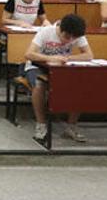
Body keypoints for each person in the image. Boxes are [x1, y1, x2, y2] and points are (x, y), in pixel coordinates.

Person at [23, 14, 92, 144]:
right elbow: (29, 54)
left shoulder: (77, 33)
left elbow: (88, 55)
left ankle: (71, 126)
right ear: (60, 29)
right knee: (39, 85)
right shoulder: (46, 32)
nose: (69, 40)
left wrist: (68, 58)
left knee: (81, 85)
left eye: (73, 38)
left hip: (61, 68)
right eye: (67, 37)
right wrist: (51, 58)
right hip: (37, 67)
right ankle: (41, 125)